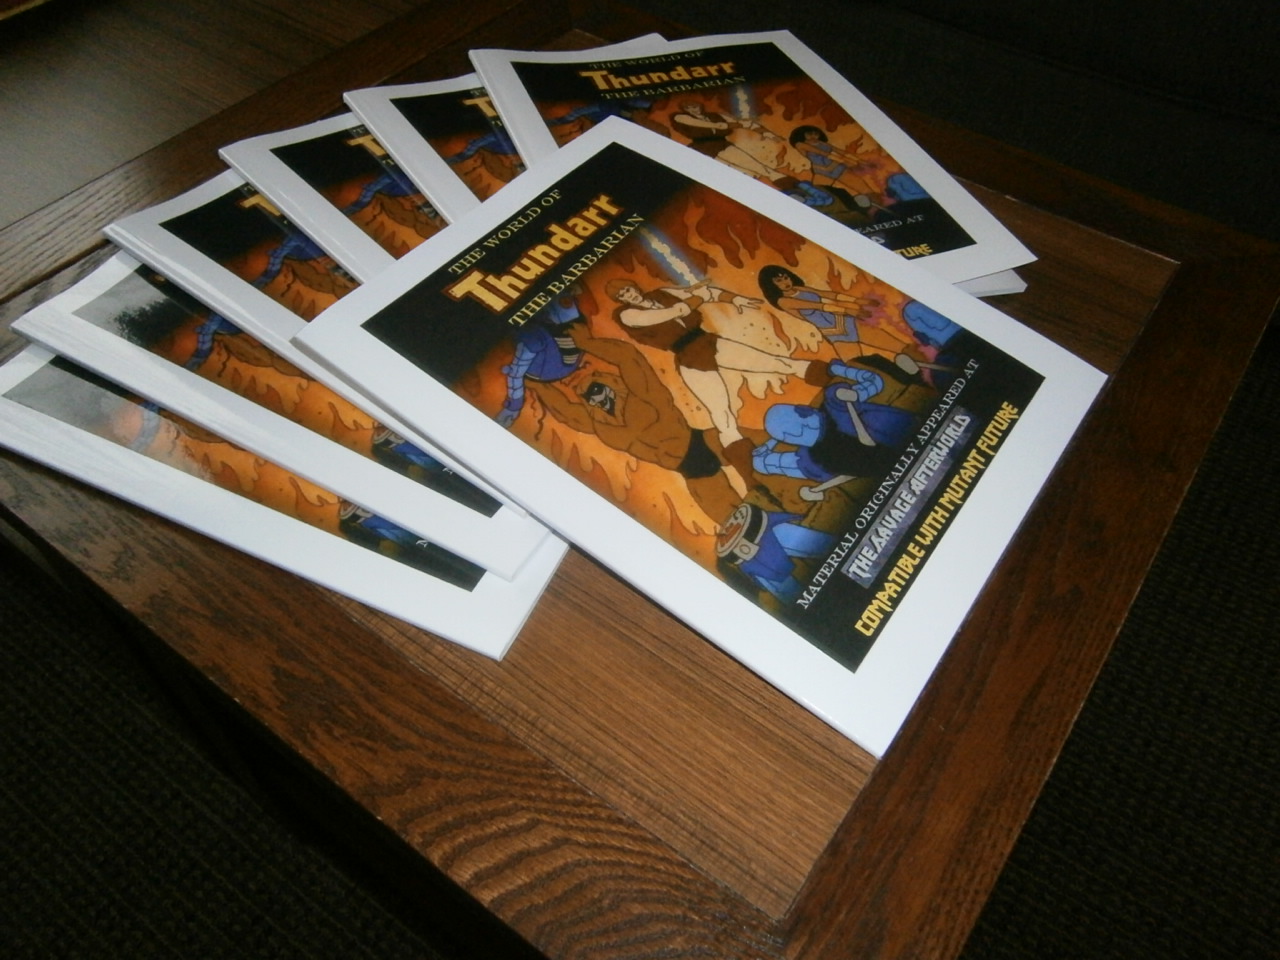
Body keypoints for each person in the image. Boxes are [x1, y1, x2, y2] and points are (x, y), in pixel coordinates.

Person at [606, 277, 865, 496]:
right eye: (622, 295)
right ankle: (751, 479)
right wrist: (699, 296)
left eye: (627, 289)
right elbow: (675, 312)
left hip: (709, 342)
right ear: (621, 300)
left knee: (777, 363)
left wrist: (734, 299)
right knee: (722, 416)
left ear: (634, 286)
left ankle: (841, 380)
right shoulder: (628, 315)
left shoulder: (661, 293)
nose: (628, 295)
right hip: (689, 357)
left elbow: (704, 294)